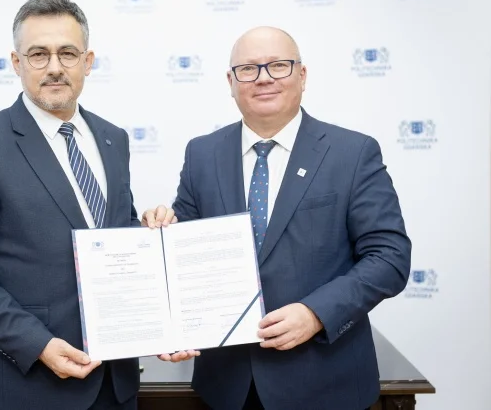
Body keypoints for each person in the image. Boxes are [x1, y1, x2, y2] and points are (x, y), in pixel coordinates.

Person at [142, 27, 411, 410]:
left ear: (302, 75)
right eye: (248, 69)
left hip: (325, 382)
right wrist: (160, 233)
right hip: (227, 386)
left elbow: (389, 258)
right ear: (231, 82)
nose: (264, 77)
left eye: (278, 65)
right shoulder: (202, 153)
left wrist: (316, 313)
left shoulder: (352, 153)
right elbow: (185, 255)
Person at [0, 0, 141, 410]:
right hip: (28, 385)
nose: (54, 67)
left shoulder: (113, 138)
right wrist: (38, 344)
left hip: (115, 384)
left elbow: (116, 235)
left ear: (87, 61)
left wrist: (151, 236)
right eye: (38, 54)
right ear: (17, 63)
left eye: (68, 53)